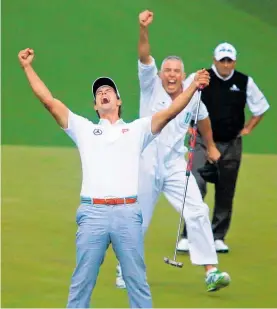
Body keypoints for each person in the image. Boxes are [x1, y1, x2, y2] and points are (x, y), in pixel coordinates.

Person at [18, 47, 211, 308]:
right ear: (95, 106)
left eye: (108, 91)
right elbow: (49, 102)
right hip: (92, 213)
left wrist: (192, 87)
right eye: (99, 93)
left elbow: (171, 112)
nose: (103, 93)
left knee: (137, 281)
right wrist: (27, 68)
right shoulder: (83, 129)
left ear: (119, 101)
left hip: (128, 213)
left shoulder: (137, 129)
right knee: (82, 281)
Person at [115, 10, 230, 293]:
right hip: (145, 163)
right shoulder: (149, 84)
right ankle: (125, 270)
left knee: (198, 210)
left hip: (175, 164)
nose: (171, 75)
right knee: (137, 219)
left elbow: (202, 119)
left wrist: (212, 145)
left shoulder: (193, 95)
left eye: (176, 71)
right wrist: (143, 29)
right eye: (167, 70)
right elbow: (144, 55)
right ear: (161, 73)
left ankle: (210, 271)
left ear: (182, 75)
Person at [178, 42, 270, 253]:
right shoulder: (202, 78)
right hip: (202, 142)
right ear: (215, 60)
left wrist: (247, 129)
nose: (226, 65)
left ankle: (218, 235)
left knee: (225, 190)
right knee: (196, 186)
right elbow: (183, 101)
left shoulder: (244, 82)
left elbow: (261, 107)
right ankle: (188, 234)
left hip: (230, 144)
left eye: (229, 61)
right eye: (222, 60)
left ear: (234, 62)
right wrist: (188, 126)